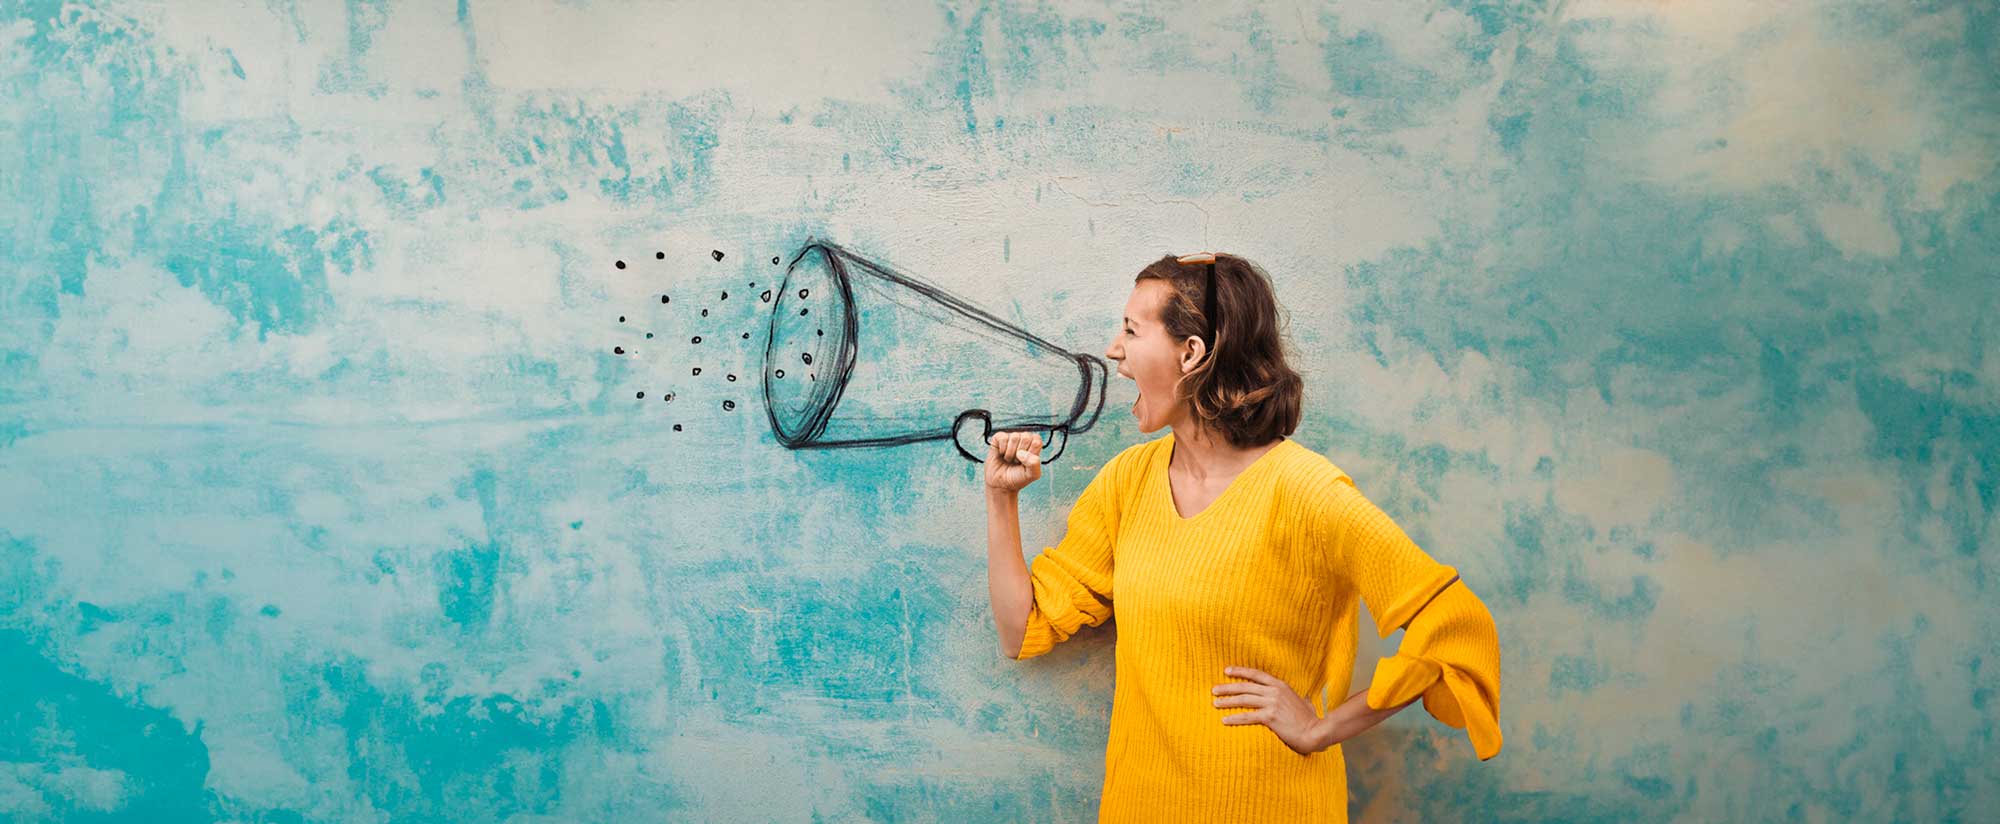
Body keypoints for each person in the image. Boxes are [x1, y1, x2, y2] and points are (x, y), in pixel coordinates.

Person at [981, 252, 1503, 821]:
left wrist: (1322, 728)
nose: (1114, 349)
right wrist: (1001, 498)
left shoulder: (1306, 490)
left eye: (1131, 330)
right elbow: (1020, 628)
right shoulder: (1127, 483)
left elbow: (1457, 629)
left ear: (1191, 353)